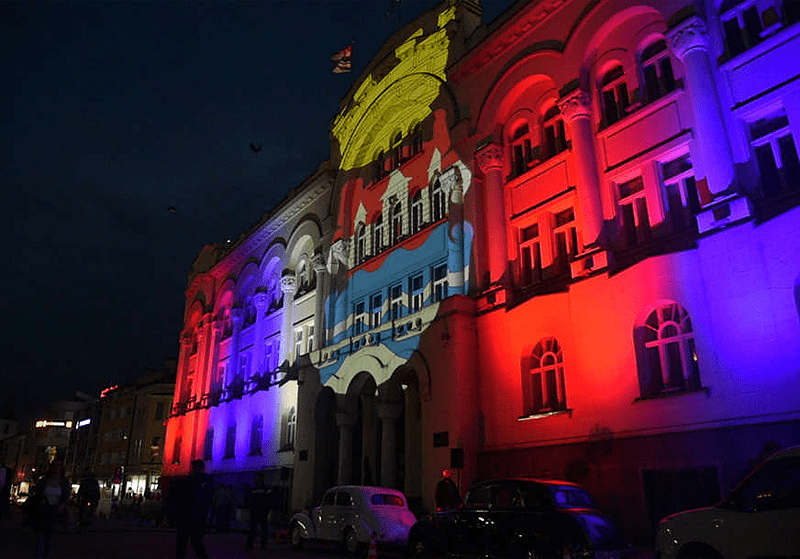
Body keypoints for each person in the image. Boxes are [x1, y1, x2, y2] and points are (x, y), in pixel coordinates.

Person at [167, 459, 215, 559]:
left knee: (182, 541)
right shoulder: (208, 480)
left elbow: (179, 497)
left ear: (194, 468)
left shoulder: (188, 480)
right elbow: (210, 497)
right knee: (196, 541)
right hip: (200, 515)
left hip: (186, 515)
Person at [29, 460, 70, 559]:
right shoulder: (45, 480)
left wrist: (62, 505)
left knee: (49, 536)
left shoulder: (63, 481)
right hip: (44, 509)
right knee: (41, 536)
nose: (56, 469)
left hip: (55, 510)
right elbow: (38, 490)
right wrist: (41, 498)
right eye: (54, 466)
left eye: (58, 466)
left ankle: (45, 555)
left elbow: (66, 495)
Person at [245, 473, 271, 550]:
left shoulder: (254, 489)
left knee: (255, 528)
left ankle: (253, 544)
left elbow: (250, 500)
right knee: (260, 529)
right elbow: (269, 500)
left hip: (258, 511)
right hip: (260, 511)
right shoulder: (265, 489)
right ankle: (259, 544)